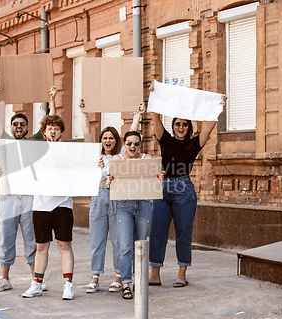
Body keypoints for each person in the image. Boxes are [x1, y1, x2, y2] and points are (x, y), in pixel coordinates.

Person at [146, 82, 226, 288]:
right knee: (157, 231)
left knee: (183, 231)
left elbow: (209, 126)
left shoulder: (194, 143)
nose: (180, 127)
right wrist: (152, 96)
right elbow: (155, 116)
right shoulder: (165, 139)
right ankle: (155, 273)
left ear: (189, 127)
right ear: (173, 126)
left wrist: (218, 108)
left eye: (184, 125)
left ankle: (182, 273)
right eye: (177, 124)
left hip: (183, 189)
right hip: (162, 188)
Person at [0, 87, 56, 292]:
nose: (19, 126)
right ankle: (4, 279)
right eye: (15, 124)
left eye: (22, 124)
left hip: (29, 197)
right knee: (6, 237)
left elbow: (51, 122)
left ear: (28, 128)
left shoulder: (35, 141)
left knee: (31, 238)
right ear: (11, 127)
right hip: (7, 196)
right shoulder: (5, 140)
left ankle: (36, 280)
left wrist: (51, 99)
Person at [79, 100, 144, 294]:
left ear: (117, 141)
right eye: (105, 138)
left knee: (119, 240)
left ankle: (118, 276)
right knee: (96, 240)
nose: (108, 141)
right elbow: (86, 133)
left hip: (118, 197)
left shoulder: (122, 155)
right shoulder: (95, 155)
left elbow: (132, 133)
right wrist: (83, 112)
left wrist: (138, 115)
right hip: (98, 197)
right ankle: (95, 277)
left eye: (111, 138)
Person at [21, 105, 76, 300]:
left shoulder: (69, 151)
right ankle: (37, 284)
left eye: (56, 128)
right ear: (44, 132)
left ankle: (67, 285)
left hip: (62, 204)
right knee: (41, 246)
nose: (53, 131)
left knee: (64, 245)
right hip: (41, 205)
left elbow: (81, 169)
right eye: (49, 128)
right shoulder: (35, 151)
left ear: (61, 131)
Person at [107, 129, 155, 299]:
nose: (132, 146)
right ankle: (126, 283)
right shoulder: (116, 160)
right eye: (129, 143)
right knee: (125, 246)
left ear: (140, 144)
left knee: (140, 246)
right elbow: (112, 180)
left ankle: (139, 281)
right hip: (124, 205)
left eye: (136, 143)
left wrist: (159, 177)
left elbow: (153, 179)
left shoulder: (147, 159)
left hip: (143, 205)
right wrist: (109, 180)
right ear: (124, 145)